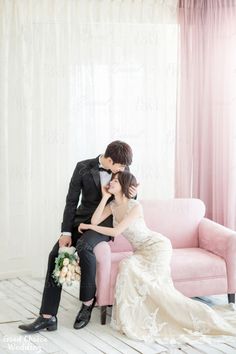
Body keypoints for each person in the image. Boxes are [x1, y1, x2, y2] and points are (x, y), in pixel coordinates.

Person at [79, 171, 236, 345]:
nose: (111, 182)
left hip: (157, 247)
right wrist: (104, 197)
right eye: (112, 180)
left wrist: (85, 226)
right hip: (140, 251)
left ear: (123, 185)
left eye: (115, 180)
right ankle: (134, 316)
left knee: (159, 289)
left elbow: (116, 231)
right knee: (127, 266)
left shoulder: (134, 206)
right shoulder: (112, 205)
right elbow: (94, 221)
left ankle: (197, 317)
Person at [19, 140, 136, 332]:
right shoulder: (83, 167)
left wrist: (135, 193)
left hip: (104, 224)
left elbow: (127, 200)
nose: (124, 169)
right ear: (108, 159)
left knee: (84, 247)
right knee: (55, 254)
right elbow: (71, 201)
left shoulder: (124, 169)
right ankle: (47, 316)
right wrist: (65, 232)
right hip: (80, 222)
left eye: (125, 166)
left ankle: (87, 303)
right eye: (120, 165)